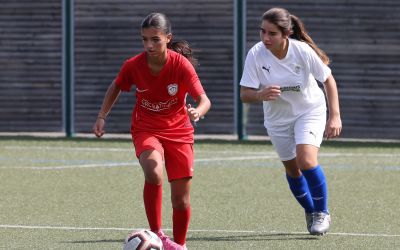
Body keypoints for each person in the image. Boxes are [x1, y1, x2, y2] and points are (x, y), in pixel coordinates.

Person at [93, 13, 211, 250]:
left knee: (181, 199)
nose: (149, 45)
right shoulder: (134, 65)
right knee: (154, 172)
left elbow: (204, 99)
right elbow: (116, 85)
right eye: (144, 39)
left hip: (179, 131)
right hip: (146, 128)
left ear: (168, 38)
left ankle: (179, 245)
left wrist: (197, 111)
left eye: (155, 39)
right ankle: (156, 234)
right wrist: (101, 116)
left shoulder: (180, 65)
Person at [240, 7, 342, 235]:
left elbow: (328, 80)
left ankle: (321, 212)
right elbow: (244, 94)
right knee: (293, 170)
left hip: (309, 112)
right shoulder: (256, 54)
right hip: (277, 121)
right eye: (262, 32)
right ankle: (311, 210)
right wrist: (260, 95)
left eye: (272, 33)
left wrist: (334, 115)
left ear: (286, 33)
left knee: (306, 160)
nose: (266, 38)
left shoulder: (302, 51)